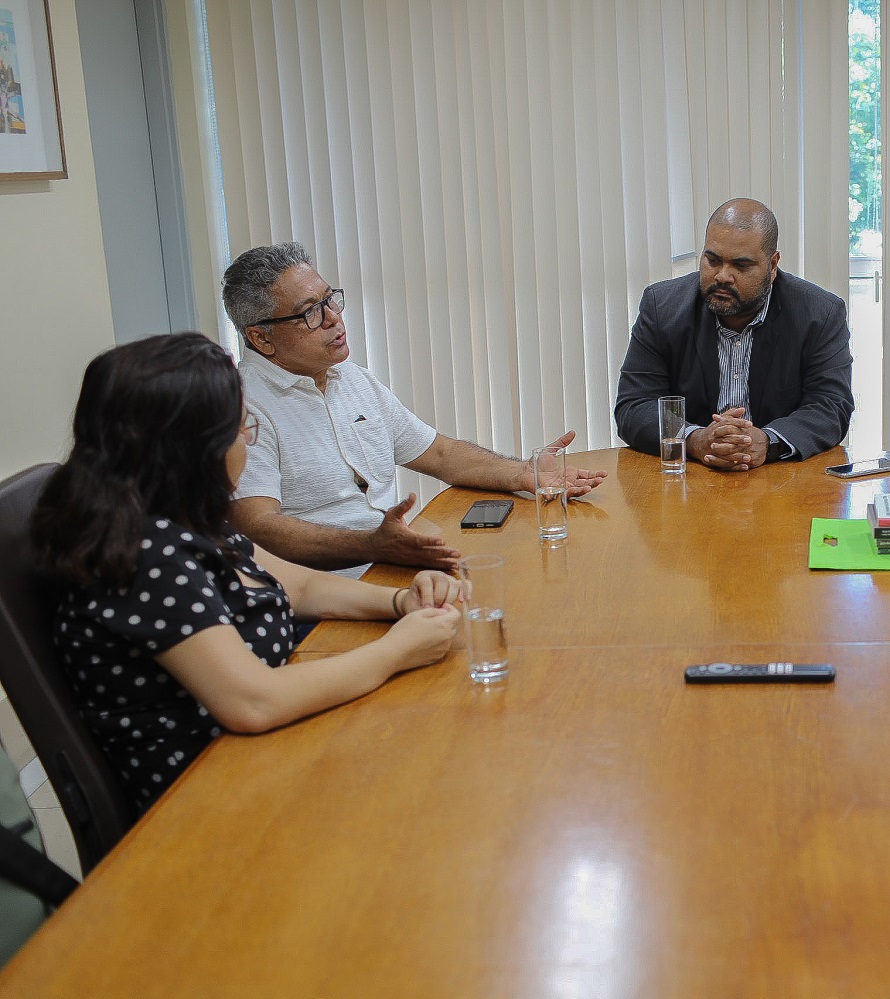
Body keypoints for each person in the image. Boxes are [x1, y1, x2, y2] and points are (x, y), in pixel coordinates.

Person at [31, 333, 462, 815]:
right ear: (192, 449)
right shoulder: (144, 556)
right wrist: (397, 650)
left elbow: (297, 585)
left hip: (268, 753)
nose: (248, 441)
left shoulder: (182, 517)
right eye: (241, 430)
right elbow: (253, 702)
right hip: (214, 794)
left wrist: (401, 603)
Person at [222, 242, 607, 575]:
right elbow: (258, 526)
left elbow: (439, 454)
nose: (334, 318)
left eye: (330, 299)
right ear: (261, 337)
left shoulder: (351, 378)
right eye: (311, 312)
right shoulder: (243, 409)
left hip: (396, 566)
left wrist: (525, 473)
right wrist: (373, 545)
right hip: (329, 590)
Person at [614, 198, 855, 471]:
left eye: (741, 266)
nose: (722, 276)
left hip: (780, 481)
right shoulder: (663, 307)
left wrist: (767, 441)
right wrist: (695, 438)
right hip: (693, 477)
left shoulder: (818, 314)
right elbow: (634, 406)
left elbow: (830, 406)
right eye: (712, 260)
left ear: (773, 265)